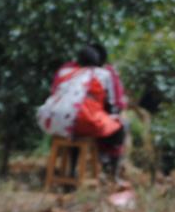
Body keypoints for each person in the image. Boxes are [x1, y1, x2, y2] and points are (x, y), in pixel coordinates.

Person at [38, 44, 126, 180]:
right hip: (82, 122)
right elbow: (114, 105)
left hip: (50, 121)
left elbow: (55, 92)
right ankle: (112, 174)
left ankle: (71, 170)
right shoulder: (104, 74)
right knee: (119, 126)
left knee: (76, 126)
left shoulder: (64, 71)